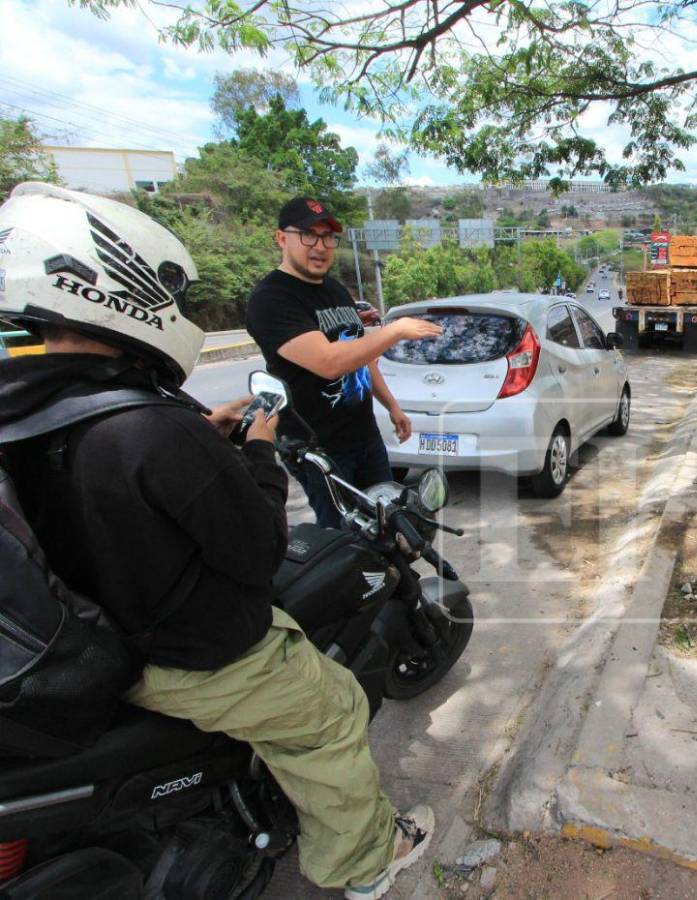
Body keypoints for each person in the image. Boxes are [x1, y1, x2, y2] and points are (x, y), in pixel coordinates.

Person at [0, 183, 431, 900]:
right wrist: (257, 449)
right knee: (333, 712)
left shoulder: (31, 408)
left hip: (100, 633)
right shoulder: (150, 426)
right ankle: (366, 862)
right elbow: (258, 549)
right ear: (118, 287)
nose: (178, 309)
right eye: (170, 292)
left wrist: (202, 437)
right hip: (195, 651)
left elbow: (100, 487)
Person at [246, 197, 441, 528]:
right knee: (346, 537)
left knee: (390, 522)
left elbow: (359, 356)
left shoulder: (335, 290)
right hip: (320, 450)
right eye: (309, 235)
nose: (320, 246)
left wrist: (392, 406)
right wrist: (395, 331)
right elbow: (329, 362)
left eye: (327, 237)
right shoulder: (271, 299)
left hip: (365, 436)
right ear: (281, 238)